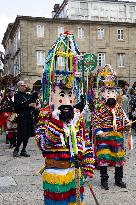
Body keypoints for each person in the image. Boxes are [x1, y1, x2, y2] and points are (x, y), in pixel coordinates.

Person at [35, 32, 95, 205]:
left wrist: (88, 164)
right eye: (62, 95)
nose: (67, 100)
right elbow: (45, 144)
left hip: (75, 173)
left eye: (70, 95)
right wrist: (58, 121)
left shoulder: (77, 117)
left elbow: (85, 141)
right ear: (51, 95)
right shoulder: (46, 115)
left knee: (76, 202)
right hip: (56, 172)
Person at [92, 86, 130, 190]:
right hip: (104, 136)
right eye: (108, 93)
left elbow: (125, 119)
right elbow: (96, 122)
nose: (111, 96)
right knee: (104, 158)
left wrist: (127, 125)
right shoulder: (99, 109)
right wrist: (99, 131)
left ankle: (118, 179)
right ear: (104, 95)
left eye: (113, 93)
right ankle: (104, 180)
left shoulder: (119, 108)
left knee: (118, 158)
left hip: (117, 136)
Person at [13, 81, 36, 157]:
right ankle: (16, 149)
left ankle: (23, 150)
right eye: (22, 86)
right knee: (21, 134)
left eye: (24, 86)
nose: (24, 87)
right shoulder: (16, 95)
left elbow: (31, 104)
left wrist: (33, 105)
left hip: (29, 116)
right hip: (22, 116)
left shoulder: (27, 95)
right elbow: (17, 107)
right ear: (19, 86)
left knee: (27, 134)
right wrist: (28, 105)